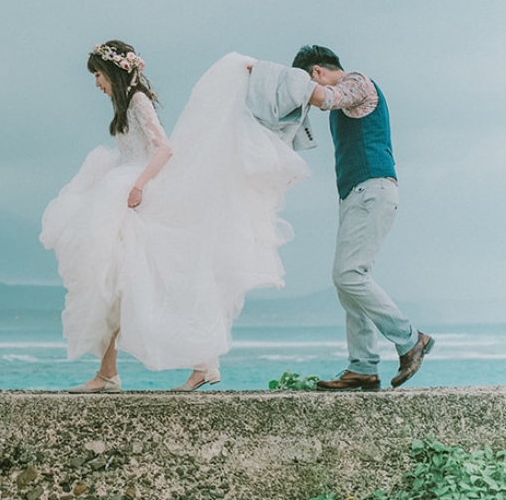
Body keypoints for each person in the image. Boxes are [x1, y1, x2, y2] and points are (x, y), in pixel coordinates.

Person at [41, 44, 309, 392]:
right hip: (121, 191)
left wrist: (137, 186)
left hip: (138, 196)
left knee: (155, 281)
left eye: (98, 75)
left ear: (114, 72)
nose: (96, 84)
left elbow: (165, 148)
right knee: (114, 282)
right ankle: (109, 373)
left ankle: (200, 364)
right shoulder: (123, 103)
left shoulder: (137, 100)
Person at [293, 45, 433, 391]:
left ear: (316, 72)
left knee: (349, 274)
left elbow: (327, 98)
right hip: (357, 193)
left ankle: (410, 338)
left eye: (302, 80)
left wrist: (279, 80)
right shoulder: (341, 96)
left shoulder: (358, 82)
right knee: (348, 283)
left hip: (372, 188)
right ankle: (363, 366)